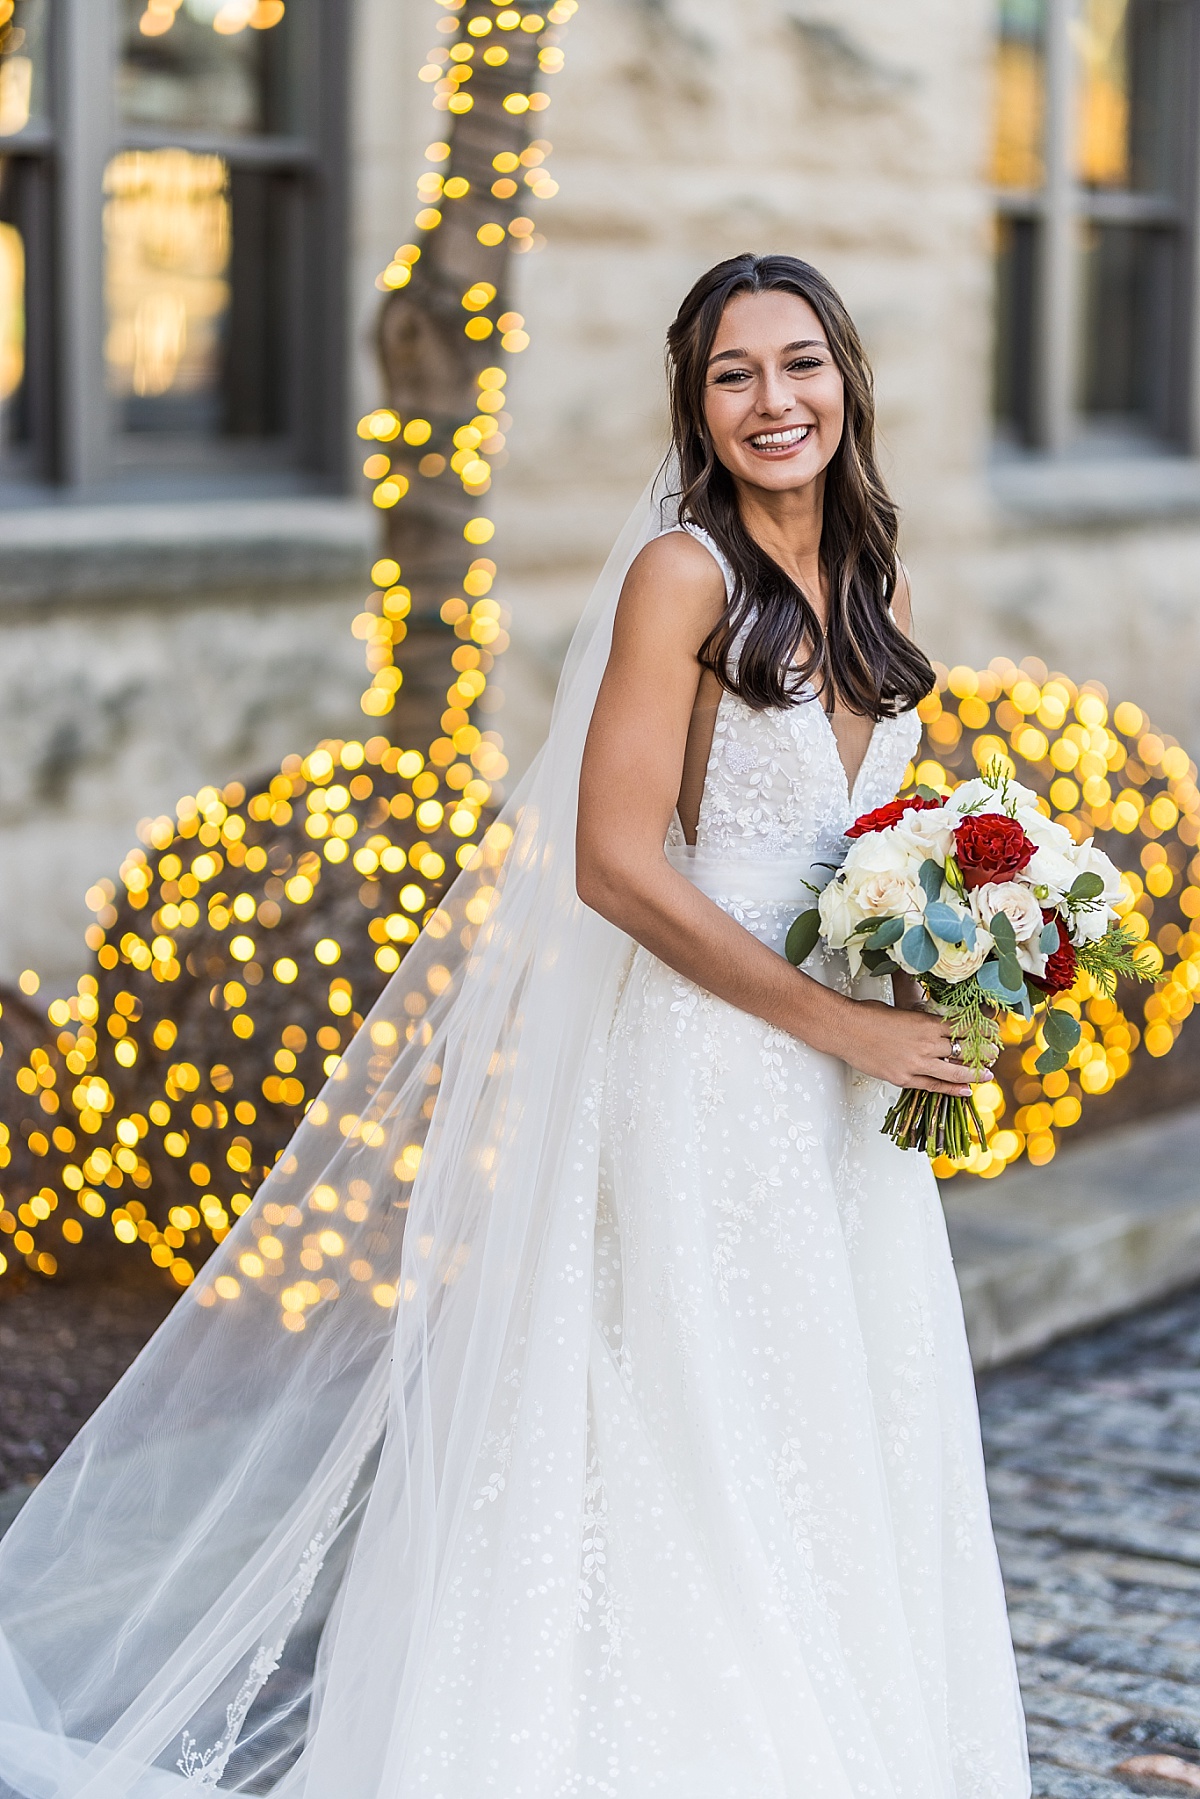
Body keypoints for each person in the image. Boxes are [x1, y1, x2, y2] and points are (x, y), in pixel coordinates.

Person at [0, 254, 1029, 1799]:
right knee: (692, 1424)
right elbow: (614, 864)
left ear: (848, 379)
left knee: (833, 1416)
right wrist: (838, 1020)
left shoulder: (873, 582)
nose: (773, 400)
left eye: (799, 363)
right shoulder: (682, 574)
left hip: (845, 1077)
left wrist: (953, 970)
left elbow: (873, 843)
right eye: (733, 372)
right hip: (711, 1063)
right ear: (695, 400)